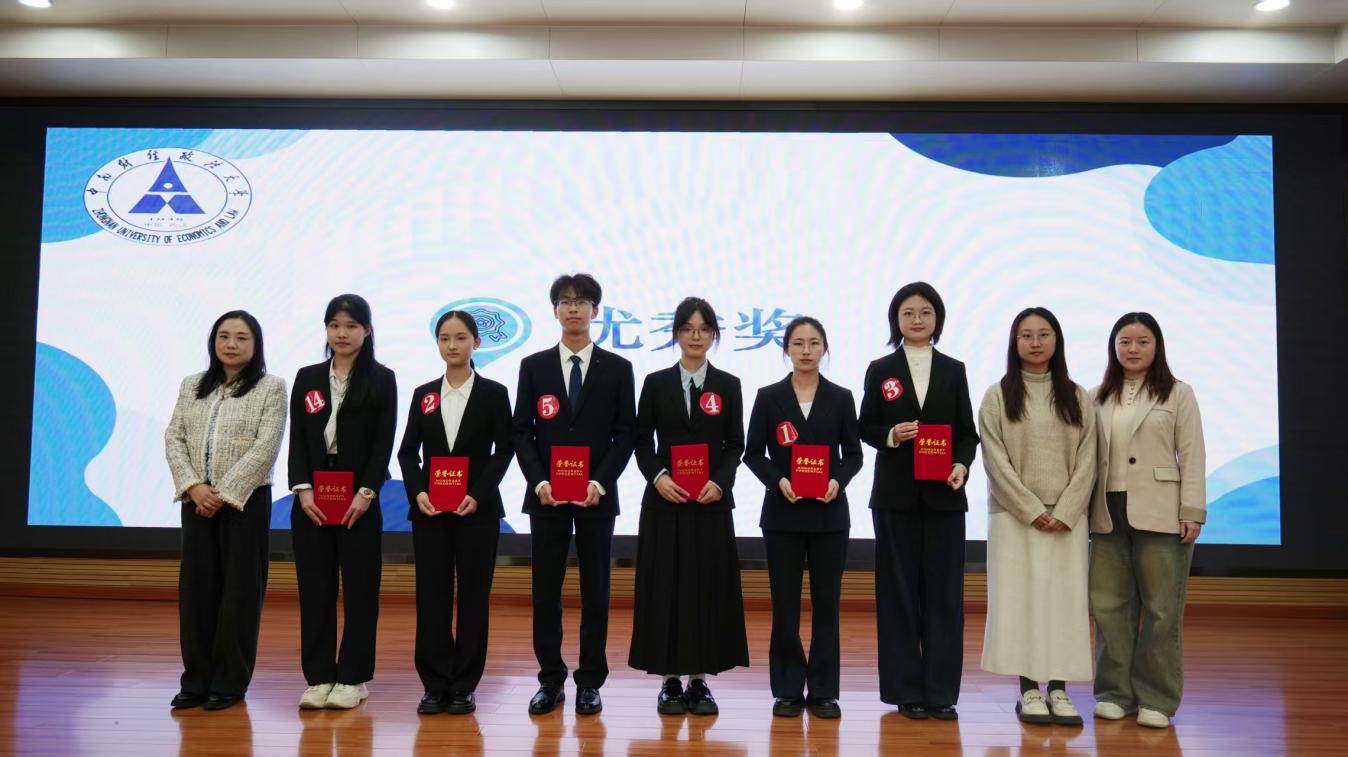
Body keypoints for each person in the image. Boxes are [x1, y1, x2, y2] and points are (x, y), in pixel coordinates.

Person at [512, 273, 636, 716]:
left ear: (595, 311)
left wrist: (598, 482)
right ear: (554, 311)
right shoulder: (534, 366)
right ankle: (550, 679)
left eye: (582, 301)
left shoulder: (617, 368)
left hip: (595, 498)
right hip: (546, 497)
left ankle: (589, 682)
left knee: (595, 591)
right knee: (545, 591)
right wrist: (539, 481)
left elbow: (626, 434)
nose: (573, 308)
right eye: (565, 301)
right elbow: (522, 431)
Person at [859, 281, 979, 720]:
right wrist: (891, 435)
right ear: (896, 319)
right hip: (895, 497)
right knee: (898, 594)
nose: (916, 319)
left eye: (925, 312)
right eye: (908, 312)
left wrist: (961, 465)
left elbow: (966, 434)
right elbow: (865, 426)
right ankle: (905, 690)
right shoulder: (881, 368)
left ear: (937, 319)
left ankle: (941, 693)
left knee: (945, 596)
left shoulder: (954, 369)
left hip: (945, 496)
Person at [628, 297, 749, 715]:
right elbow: (641, 441)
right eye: (687, 329)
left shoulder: (729, 385)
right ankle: (669, 681)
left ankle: (699, 681)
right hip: (665, 502)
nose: (695, 336)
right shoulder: (655, 383)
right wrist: (658, 477)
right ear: (676, 334)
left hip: (710, 503)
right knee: (665, 587)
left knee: (706, 588)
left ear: (713, 335)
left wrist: (720, 481)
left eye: (703, 329)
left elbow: (735, 444)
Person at [977, 307, 1096, 726]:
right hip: (1014, 517)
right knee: (1019, 602)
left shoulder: (1078, 396)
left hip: (1067, 519)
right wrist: (1030, 509)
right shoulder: (997, 395)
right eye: (1026, 335)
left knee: (1064, 603)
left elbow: (1089, 459)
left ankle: (1059, 689)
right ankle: (1028, 689)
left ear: (1056, 340)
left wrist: (1066, 510)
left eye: (1044, 334)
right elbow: (995, 460)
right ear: (1014, 343)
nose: (1035, 342)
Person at [165, 310, 287, 712]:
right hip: (196, 501)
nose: (231, 344)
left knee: (239, 594)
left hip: (245, 502)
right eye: (224, 336)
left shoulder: (270, 387)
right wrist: (194, 486)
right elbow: (174, 437)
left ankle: (230, 682)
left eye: (241, 337)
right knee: (197, 593)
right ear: (213, 342)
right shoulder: (192, 385)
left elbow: (267, 446)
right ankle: (196, 680)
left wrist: (225, 492)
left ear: (256, 345)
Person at [1089, 312, 1206, 729]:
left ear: (1157, 346)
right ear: (1113, 347)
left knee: (1161, 608)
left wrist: (1192, 510)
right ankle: (1114, 693)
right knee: (1109, 606)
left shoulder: (1178, 393)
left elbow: (1192, 454)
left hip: (1162, 511)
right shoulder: (1097, 396)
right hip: (1107, 510)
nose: (1133, 349)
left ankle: (1158, 698)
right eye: (1124, 341)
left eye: (1142, 341)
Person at [744, 316, 863, 719]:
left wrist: (837, 481)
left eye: (814, 343)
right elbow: (753, 453)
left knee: (827, 605)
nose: (806, 350)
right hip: (783, 516)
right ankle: (788, 689)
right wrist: (778, 480)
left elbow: (854, 454)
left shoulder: (841, 397)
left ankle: (825, 690)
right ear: (786, 350)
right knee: (785, 607)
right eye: (798, 343)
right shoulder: (769, 397)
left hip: (830, 516)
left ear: (824, 348)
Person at [397, 310, 515, 716]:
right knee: (431, 596)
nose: (452, 345)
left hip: (476, 513)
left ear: (476, 343)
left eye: (461, 337)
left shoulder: (494, 393)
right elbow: (407, 452)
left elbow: (505, 450)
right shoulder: (424, 394)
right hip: (430, 512)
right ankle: (434, 684)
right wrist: (418, 492)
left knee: (473, 598)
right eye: (444, 338)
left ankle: (464, 684)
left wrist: (478, 494)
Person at [287, 294, 398, 710]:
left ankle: (353, 677)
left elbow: (383, 441)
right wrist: (302, 488)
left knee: (360, 589)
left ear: (367, 331)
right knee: (315, 588)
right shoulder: (308, 377)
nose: (342, 333)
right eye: (334, 325)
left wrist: (367, 492)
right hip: (313, 498)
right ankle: (319, 677)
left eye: (351, 326)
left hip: (359, 500)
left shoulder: (382, 379)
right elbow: (298, 438)